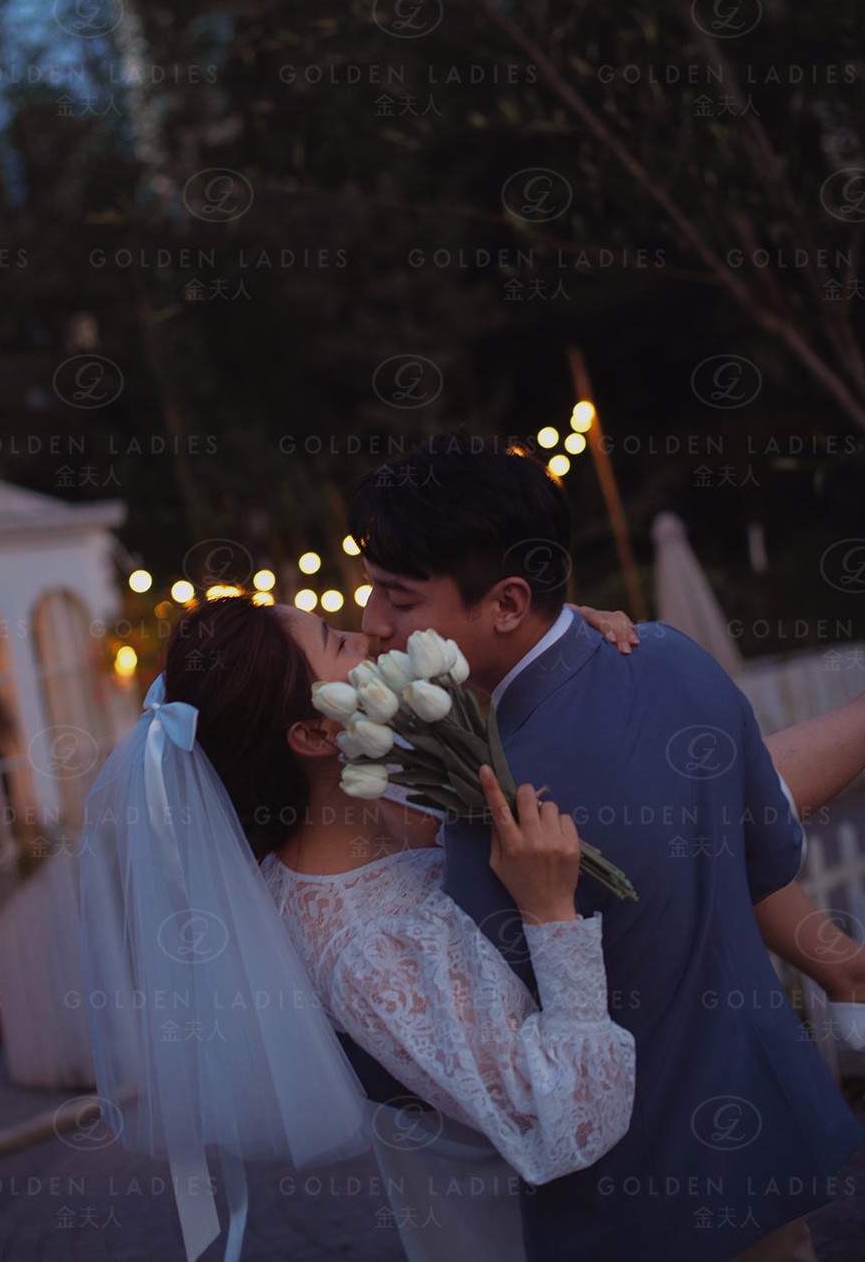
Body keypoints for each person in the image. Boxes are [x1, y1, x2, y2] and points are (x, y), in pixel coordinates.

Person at [346, 434, 865, 1262]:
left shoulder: (498, 803)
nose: (372, 621)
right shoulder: (674, 657)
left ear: (508, 602)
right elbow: (764, 854)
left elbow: (474, 1047)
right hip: (766, 1136)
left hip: (637, 1202)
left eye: (398, 599)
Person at [79, 592, 637, 1262]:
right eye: (336, 643)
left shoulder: (370, 792)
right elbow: (573, 1121)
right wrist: (550, 913)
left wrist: (553, 633)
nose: (365, 635)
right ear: (315, 735)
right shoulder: (367, 948)